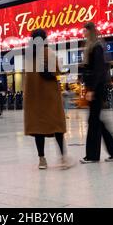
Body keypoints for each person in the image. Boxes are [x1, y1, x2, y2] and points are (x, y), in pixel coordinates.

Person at [24, 29, 73, 170]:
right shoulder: (49, 53)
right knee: (57, 127)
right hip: (50, 97)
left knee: (38, 128)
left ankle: (42, 160)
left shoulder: (29, 57)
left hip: (34, 99)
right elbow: (56, 71)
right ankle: (63, 158)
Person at [80, 22, 113, 164]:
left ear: (90, 31)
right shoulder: (92, 46)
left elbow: (98, 70)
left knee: (93, 121)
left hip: (97, 89)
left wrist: (91, 89)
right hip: (95, 88)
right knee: (97, 121)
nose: (83, 33)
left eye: (85, 31)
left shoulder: (96, 46)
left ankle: (92, 156)